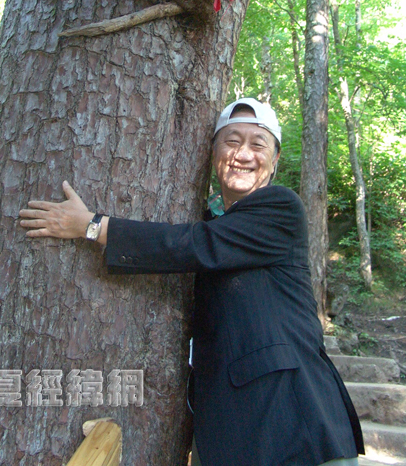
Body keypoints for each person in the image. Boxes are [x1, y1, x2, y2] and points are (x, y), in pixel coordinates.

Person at [19, 97, 365, 466]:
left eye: (258, 144)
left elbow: (194, 245)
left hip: (297, 429)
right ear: (213, 153)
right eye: (231, 141)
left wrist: (92, 226)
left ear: (275, 159)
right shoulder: (215, 221)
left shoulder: (280, 208)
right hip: (233, 437)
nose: (243, 154)